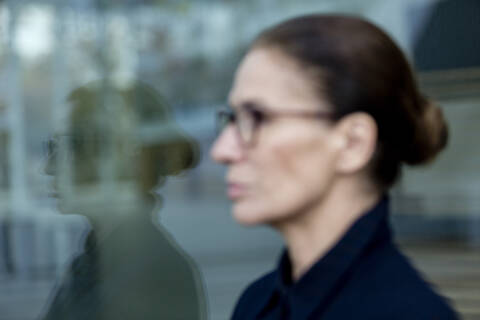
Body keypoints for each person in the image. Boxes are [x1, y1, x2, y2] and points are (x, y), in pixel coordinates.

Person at [211, 14, 458, 319]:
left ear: (353, 143)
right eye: (232, 119)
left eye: (258, 117)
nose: (222, 151)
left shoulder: (411, 314)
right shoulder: (257, 304)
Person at [41, 80, 207, 319]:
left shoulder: (150, 274)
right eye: (51, 147)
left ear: (124, 158)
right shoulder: (95, 261)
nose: (48, 167)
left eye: (70, 145)